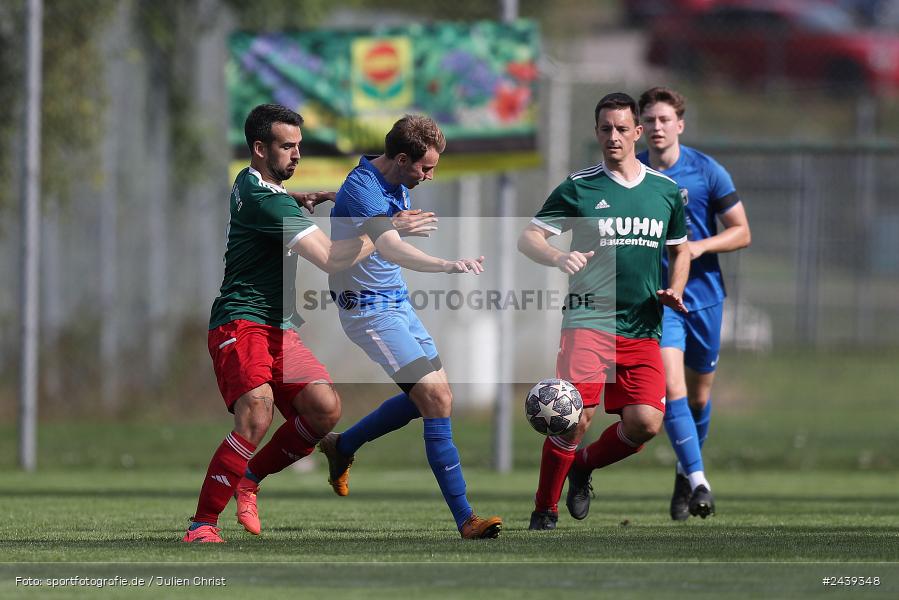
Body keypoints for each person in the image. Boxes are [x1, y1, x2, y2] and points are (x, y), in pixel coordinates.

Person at [183, 104, 434, 543]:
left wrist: (297, 199)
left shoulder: (252, 182)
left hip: (277, 326)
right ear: (260, 148)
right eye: (287, 147)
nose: (297, 155)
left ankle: (249, 479)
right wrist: (385, 229)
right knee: (256, 414)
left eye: (300, 146)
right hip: (240, 323)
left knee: (324, 409)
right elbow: (331, 259)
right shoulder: (268, 202)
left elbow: (269, 199)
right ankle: (201, 525)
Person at [316, 115, 503, 539]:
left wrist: (334, 197)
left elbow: (366, 212)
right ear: (402, 158)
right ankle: (466, 520)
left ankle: (342, 445)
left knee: (437, 398)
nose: (430, 176)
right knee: (435, 398)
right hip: (368, 311)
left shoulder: (389, 181)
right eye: (426, 168)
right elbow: (392, 247)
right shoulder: (365, 186)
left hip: (397, 304)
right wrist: (448, 265)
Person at [518, 92, 691, 530]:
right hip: (588, 320)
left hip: (643, 326)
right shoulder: (580, 187)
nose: (612, 136)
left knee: (646, 423)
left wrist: (674, 288)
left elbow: (681, 250)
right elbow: (530, 239)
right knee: (572, 418)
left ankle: (584, 466)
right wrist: (558, 257)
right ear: (596, 132)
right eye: (604, 129)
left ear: (637, 132)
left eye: (620, 128)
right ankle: (545, 509)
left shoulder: (665, 191)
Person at [637, 86, 751, 520]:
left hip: (703, 299)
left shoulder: (706, 171)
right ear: (640, 127)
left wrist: (698, 248)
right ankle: (700, 478)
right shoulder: (634, 174)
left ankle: (686, 473)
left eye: (664, 120)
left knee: (700, 399)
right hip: (660, 301)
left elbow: (742, 231)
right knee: (671, 390)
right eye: (649, 120)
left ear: (679, 124)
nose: (657, 127)